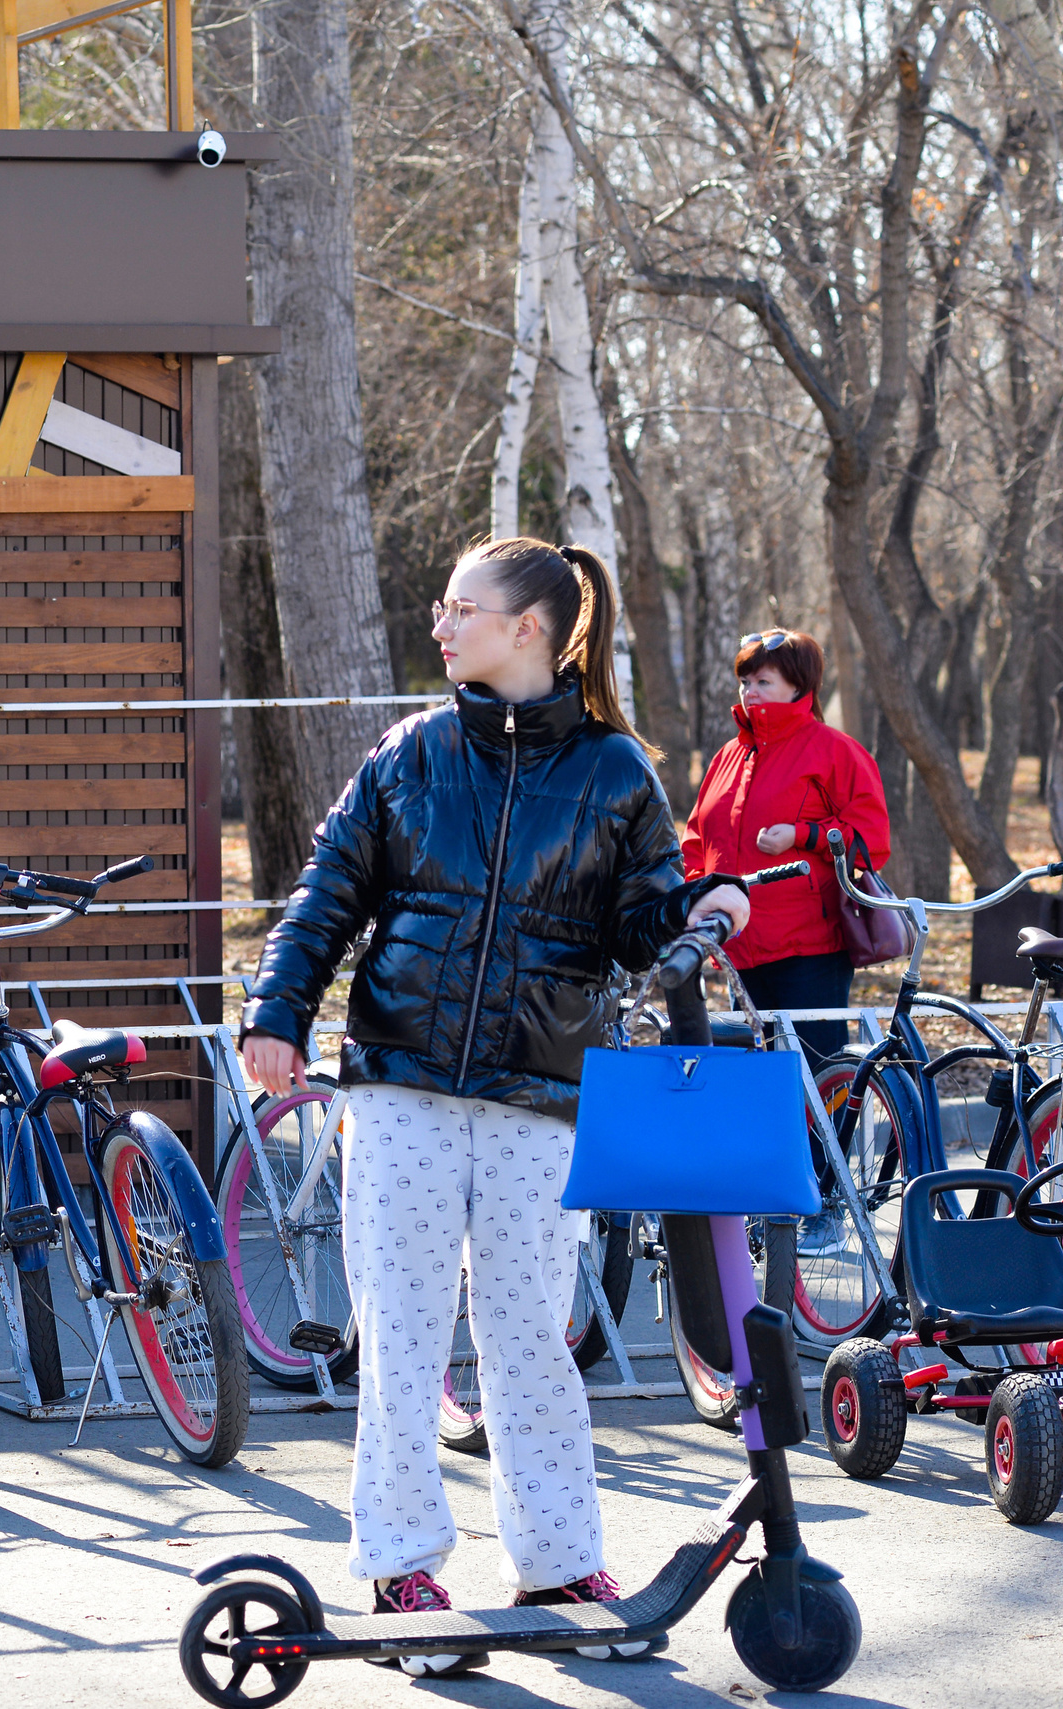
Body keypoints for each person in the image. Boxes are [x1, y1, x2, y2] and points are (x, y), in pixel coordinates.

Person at [241, 537, 750, 1675]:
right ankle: (401, 1566)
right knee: (403, 1336)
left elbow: (640, 926)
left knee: (533, 1340)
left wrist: (699, 905)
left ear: (528, 628)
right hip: (404, 1087)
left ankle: (560, 1562)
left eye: (459, 607)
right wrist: (277, 1009)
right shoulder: (411, 753)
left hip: (541, 1098)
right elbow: (326, 893)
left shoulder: (617, 771)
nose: (440, 623)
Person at [681, 628, 889, 1062]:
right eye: (745, 682)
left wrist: (803, 834)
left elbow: (871, 837)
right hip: (736, 945)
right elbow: (697, 841)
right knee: (759, 1085)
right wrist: (695, 897)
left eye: (763, 681)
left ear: (798, 687)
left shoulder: (836, 751)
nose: (750, 692)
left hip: (810, 951)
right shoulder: (726, 757)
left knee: (817, 1080)